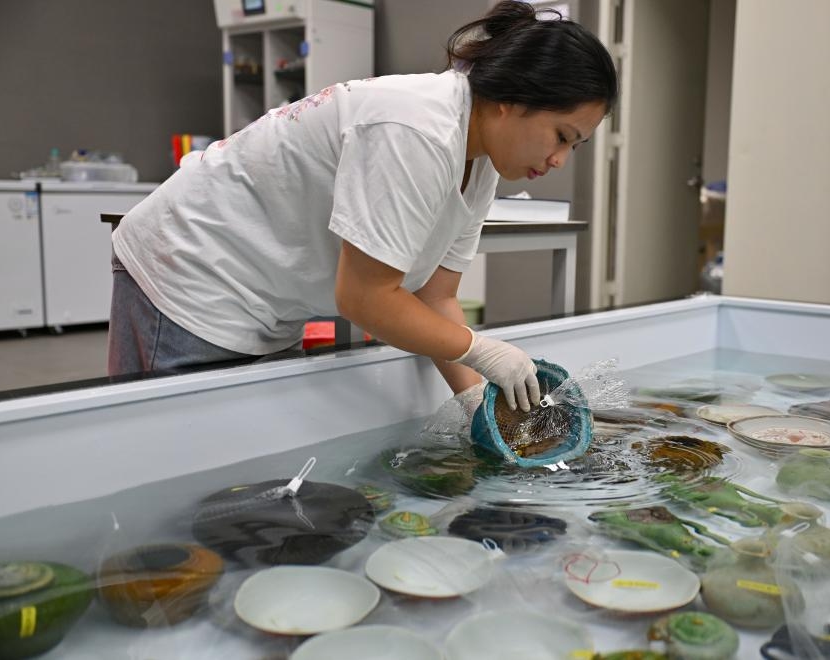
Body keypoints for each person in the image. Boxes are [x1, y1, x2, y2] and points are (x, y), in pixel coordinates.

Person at [107, 0, 617, 412]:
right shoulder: (415, 128)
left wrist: (469, 399)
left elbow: (433, 297)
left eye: (575, 146)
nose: (558, 159)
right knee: (173, 475)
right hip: (188, 273)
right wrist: (479, 351)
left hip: (264, 298)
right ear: (511, 99)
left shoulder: (480, 159)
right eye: (561, 136)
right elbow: (367, 299)